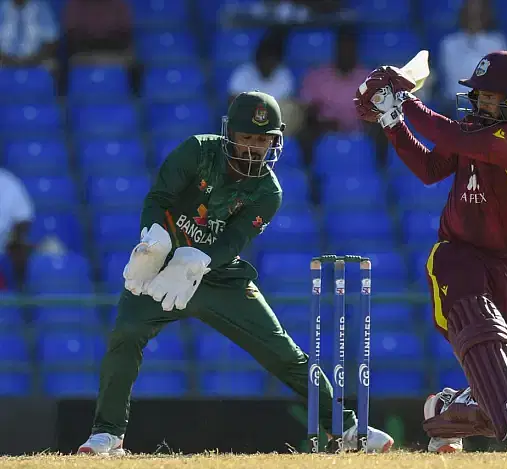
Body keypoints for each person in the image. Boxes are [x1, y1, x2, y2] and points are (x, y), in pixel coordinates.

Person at [77, 91, 393, 456]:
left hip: (219, 277)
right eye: (246, 138)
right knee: (125, 334)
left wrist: (199, 260)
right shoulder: (196, 152)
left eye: (263, 140)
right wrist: (154, 240)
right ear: (230, 135)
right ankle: (108, 434)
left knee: (284, 354)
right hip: (161, 268)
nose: (253, 148)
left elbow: (235, 240)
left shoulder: (267, 192)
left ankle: (348, 428)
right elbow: (157, 199)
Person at [354, 51, 507, 454]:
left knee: (505, 367)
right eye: (479, 95)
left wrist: (403, 101)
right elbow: (429, 169)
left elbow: (451, 138)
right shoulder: (473, 129)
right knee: (484, 330)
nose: (480, 103)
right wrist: (392, 122)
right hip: (457, 255)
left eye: (490, 97)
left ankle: (443, 413)